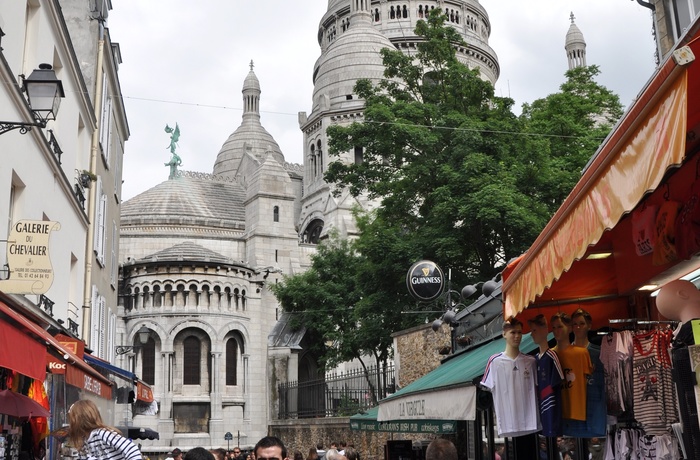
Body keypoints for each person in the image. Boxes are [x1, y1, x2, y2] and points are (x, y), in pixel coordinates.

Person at [481, 318, 541, 437]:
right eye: (513, 332)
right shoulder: (494, 362)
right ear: (504, 334)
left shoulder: (531, 361)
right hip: (507, 425)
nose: (517, 336)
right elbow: (486, 387)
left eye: (519, 332)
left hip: (531, 423)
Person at [551, 312, 593, 423]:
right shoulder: (550, 355)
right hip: (558, 413)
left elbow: (589, 384)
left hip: (578, 412)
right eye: (553, 327)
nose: (556, 331)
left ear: (569, 328)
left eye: (560, 326)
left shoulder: (582, 353)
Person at [66, 400, 141, 460]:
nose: (70, 423)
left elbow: (131, 449)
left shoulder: (102, 434)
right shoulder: (84, 442)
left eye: (71, 419)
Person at [527, 313, 564, 438]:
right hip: (539, 407)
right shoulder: (534, 359)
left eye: (534, 330)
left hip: (551, 406)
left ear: (545, 330)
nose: (532, 334)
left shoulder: (552, 355)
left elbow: (559, 381)